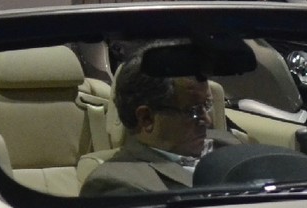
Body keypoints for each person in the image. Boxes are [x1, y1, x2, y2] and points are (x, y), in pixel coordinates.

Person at [80, 56, 212, 196]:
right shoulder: (115, 183)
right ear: (146, 119)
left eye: (207, 105)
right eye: (193, 111)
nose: (208, 121)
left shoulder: (228, 141)